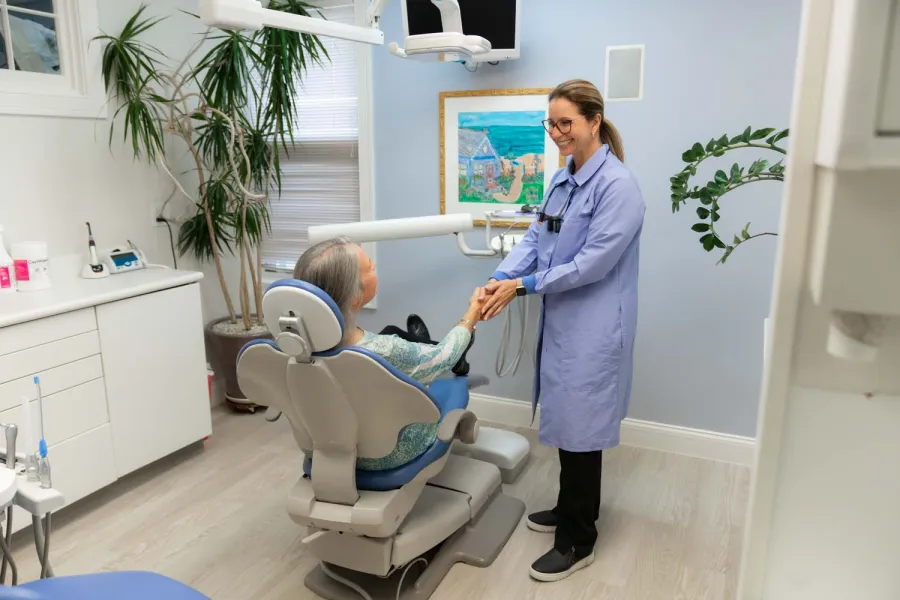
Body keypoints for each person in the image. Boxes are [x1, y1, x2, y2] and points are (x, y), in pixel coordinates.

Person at [479, 79, 645, 583]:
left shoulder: (618, 187)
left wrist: (523, 286)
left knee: (583, 430)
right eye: (551, 123)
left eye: (565, 123)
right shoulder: (561, 179)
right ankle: (568, 507)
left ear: (594, 121)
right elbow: (535, 238)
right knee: (568, 421)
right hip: (564, 321)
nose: (556, 133)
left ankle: (579, 539)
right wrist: (499, 277)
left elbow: (591, 264)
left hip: (593, 326)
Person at [292, 237, 483, 471]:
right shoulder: (386, 350)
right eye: (370, 267)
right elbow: (445, 356)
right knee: (447, 372)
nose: (375, 268)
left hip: (322, 448)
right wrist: (473, 313)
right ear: (355, 297)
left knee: (392, 332)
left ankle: (421, 343)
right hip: (390, 455)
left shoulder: (290, 348)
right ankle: (432, 349)